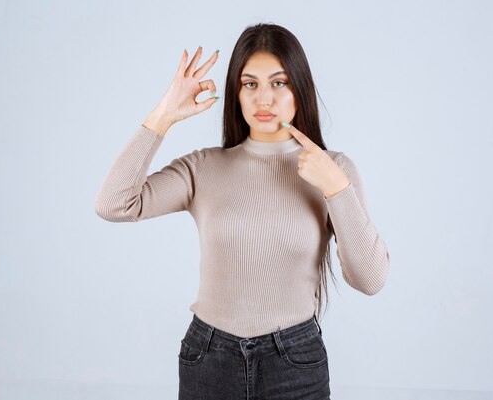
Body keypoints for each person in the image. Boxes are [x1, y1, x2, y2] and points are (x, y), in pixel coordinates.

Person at [94, 23, 390, 400]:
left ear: (300, 89)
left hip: (294, 362)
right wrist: (164, 113)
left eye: (279, 83)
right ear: (236, 92)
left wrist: (336, 188)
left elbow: (370, 280)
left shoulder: (334, 170)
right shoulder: (203, 168)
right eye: (250, 84)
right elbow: (113, 203)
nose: (263, 98)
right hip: (209, 359)